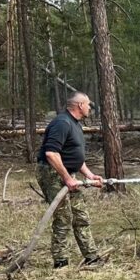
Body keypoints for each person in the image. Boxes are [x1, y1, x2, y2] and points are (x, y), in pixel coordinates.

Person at [37, 92, 105, 268]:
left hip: (68, 175)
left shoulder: (75, 125)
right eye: (88, 104)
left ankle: (92, 257)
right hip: (52, 174)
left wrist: (89, 175)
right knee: (63, 217)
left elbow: (74, 156)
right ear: (80, 105)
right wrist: (67, 178)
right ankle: (61, 261)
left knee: (81, 215)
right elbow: (51, 153)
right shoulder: (62, 123)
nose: (90, 108)